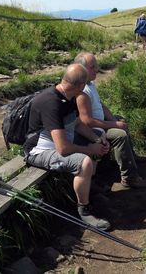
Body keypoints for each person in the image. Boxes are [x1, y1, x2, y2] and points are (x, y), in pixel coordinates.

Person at [25, 64, 111, 230]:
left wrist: (97, 140)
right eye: (85, 85)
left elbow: (78, 124)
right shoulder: (52, 103)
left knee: (97, 137)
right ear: (80, 86)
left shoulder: (68, 96)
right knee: (83, 162)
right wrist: (90, 150)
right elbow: (63, 149)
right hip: (39, 150)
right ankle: (84, 210)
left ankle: (89, 186)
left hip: (59, 143)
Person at [74, 52, 146, 189]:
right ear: (82, 69)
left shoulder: (90, 84)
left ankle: (131, 158)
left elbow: (101, 105)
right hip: (93, 130)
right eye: (93, 67)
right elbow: (87, 121)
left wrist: (114, 120)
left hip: (100, 123)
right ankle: (129, 178)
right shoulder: (82, 91)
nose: (97, 69)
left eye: (96, 65)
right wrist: (114, 124)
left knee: (121, 120)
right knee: (119, 135)